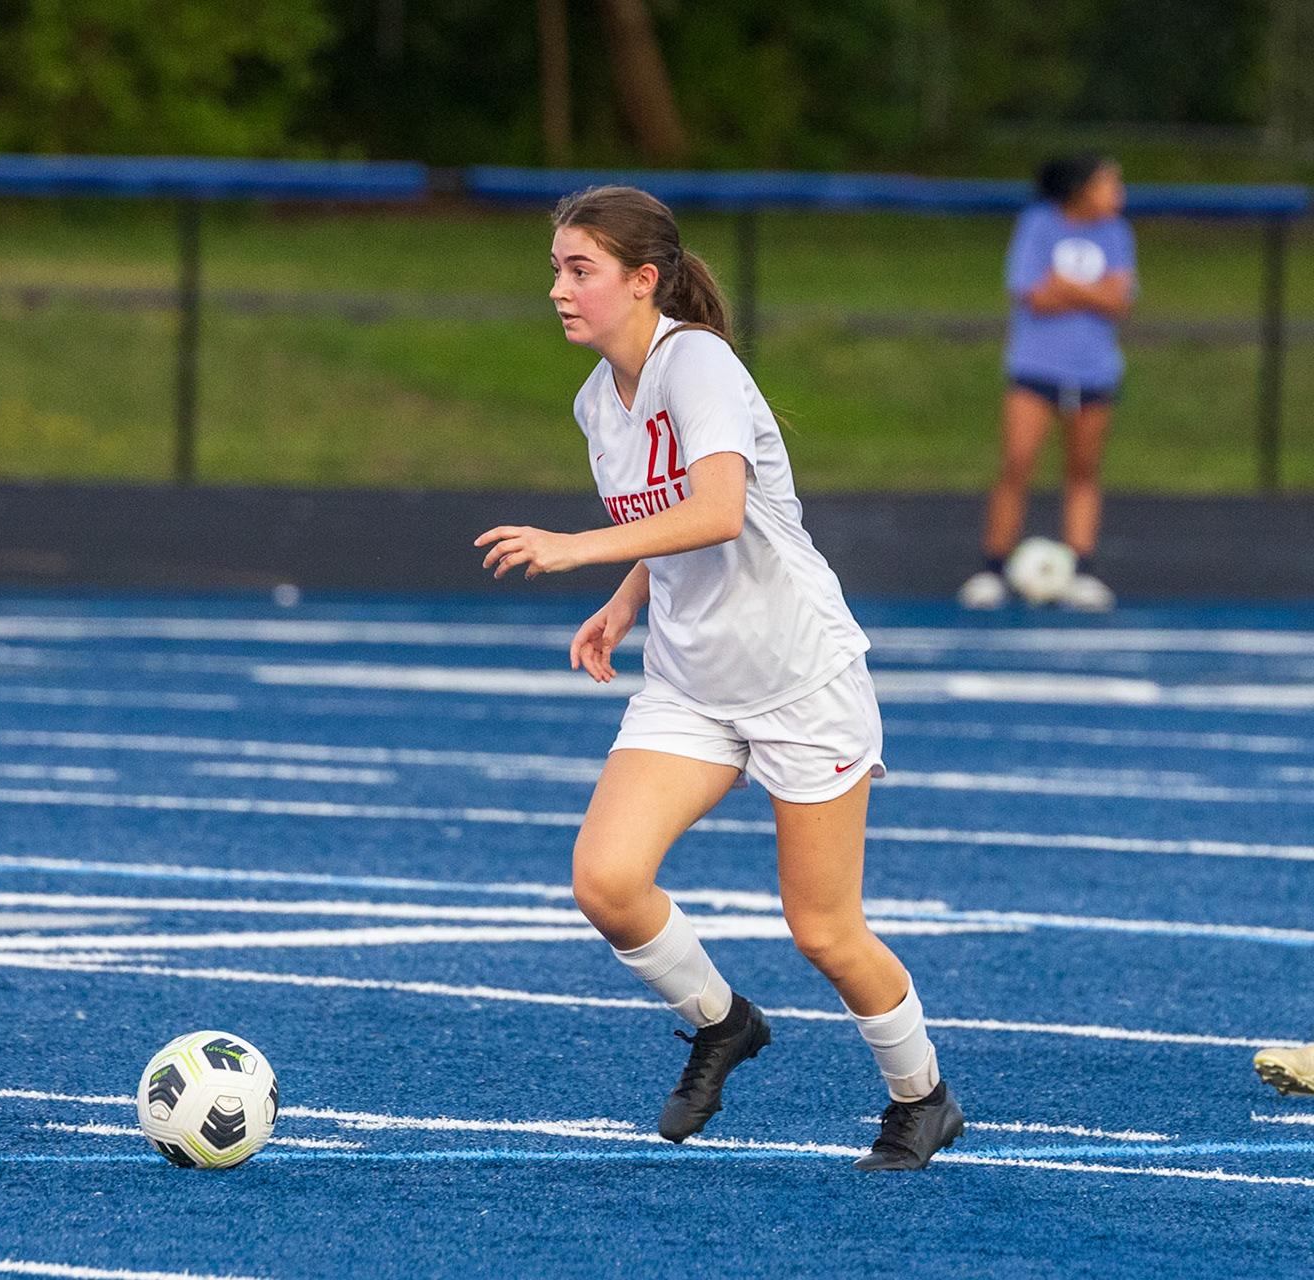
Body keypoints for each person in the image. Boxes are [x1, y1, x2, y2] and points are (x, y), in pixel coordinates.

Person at [475, 185, 964, 1171]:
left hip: (798, 677)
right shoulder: (595, 400)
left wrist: (576, 547)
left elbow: (719, 509)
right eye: (557, 269)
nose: (560, 289)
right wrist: (625, 597)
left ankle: (923, 1098)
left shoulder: (695, 361)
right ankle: (723, 1022)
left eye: (581, 269)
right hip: (692, 680)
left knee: (824, 930)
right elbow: (664, 521)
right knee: (606, 880)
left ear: (643, 279)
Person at [959, 154, 1135, 611]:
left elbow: (1119, 299)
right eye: (1109, 183)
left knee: (1083, 470)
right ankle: (992, 567)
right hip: (1035, 367)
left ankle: (1082, 569)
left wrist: (1068, 288)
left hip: (1094, 369)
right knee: (1016, 463)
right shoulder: (1038, 224)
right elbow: (1033, 293)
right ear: (1080, 189)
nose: (1118, 193)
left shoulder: (1117, 233)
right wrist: (1091, 293)